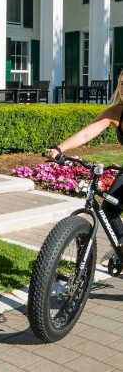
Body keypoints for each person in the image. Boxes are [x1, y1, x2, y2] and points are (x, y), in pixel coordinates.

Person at [45, 70, 123, 264]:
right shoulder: (116, 112)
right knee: (108, 209)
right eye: (122, 83)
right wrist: (58, 148)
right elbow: (85, 135)